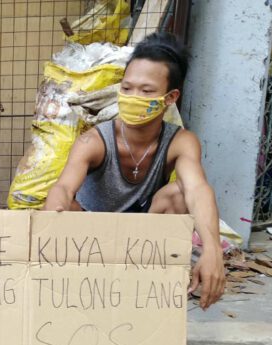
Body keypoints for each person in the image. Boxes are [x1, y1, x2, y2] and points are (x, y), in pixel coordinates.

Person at [43, 32, 225, 310]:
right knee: (64, 207)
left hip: (142, 240)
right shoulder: (93, 141)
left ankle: (152, 285)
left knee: (178, 193)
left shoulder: (181, 141)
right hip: (93, 240)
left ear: (170, 97)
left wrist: (213, 251)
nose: (132, 97)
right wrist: (53, 213)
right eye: (127, 88)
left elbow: (197, 189)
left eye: (146, 90)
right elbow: (64, 188)